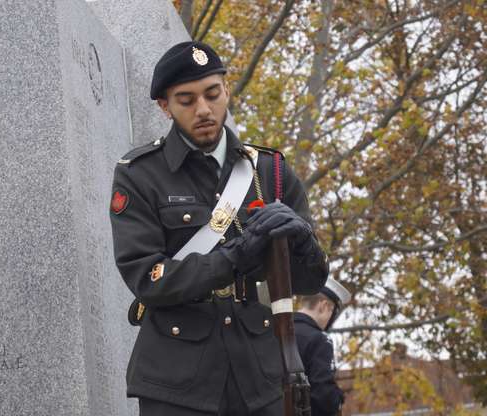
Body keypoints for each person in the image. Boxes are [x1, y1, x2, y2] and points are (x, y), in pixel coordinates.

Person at [109, 41, 329, 415]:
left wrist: (304, 241)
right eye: (186, 100)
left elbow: (309, 282)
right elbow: (148, 278)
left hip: (262, 374)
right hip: (177, 382)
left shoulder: (270, 172)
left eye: (213, 94)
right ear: (165, 106)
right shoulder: (140, 175)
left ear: (227, 88)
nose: (204, 109)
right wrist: (235, 256)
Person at [293, 278, 350, 416]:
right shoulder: (319, 339)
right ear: (323, 306)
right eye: (332, 313)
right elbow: (324, 395)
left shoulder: (276, 331)